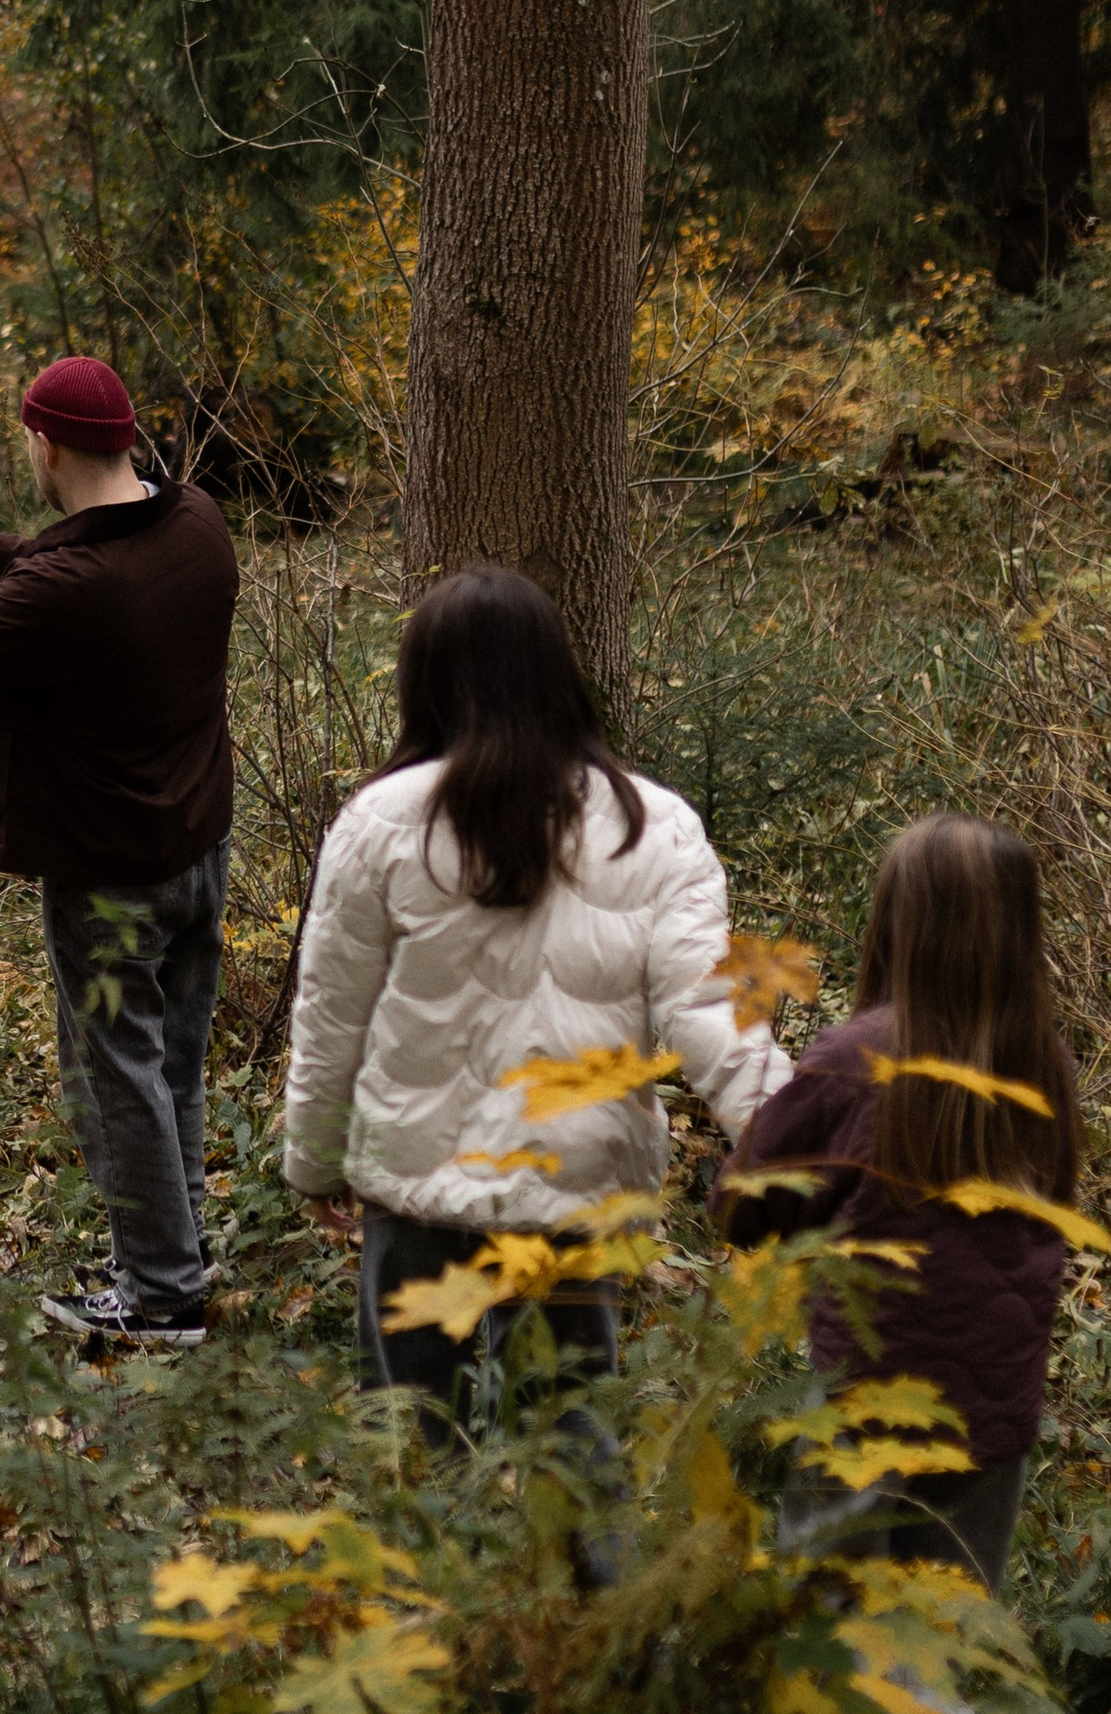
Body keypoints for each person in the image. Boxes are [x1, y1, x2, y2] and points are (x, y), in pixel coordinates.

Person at [285, 565, 788, 1439]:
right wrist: (791, 1136)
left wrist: (315, 1160)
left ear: (423, 680)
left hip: (416, 1173)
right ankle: (584, 1576)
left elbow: (334, 1015)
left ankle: (418, 1573)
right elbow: (712, 1009)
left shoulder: (379, 819)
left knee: (407, 1435)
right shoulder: (654, 824)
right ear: (560, 672)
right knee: (574, 1436)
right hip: (576, 1177)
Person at [0, 356, 239, 1348]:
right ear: (123, 437)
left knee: (116, 1075)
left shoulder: (72, 588)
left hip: (110, 869)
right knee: (171, 1065)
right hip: (196, 843)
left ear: (43, 443)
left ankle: (162, 1300)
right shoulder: (195, 523)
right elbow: (90, 581)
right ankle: (176, 1254)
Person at [717, 815, 1081, 1594]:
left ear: (897, 923)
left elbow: (743, 1205)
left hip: (865, 1403)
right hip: (995, 1413)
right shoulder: (1044, 1062)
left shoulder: (856, 1057)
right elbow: (1059, 1203)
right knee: (943, 1641)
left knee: (825, 1644)